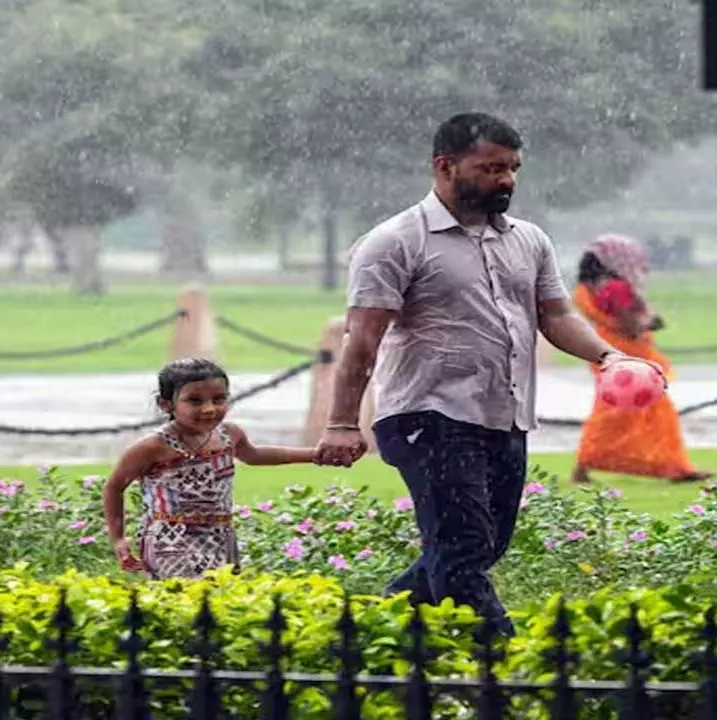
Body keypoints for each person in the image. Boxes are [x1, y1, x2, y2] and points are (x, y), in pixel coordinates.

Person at [312, 112, 654, 637]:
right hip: (428, 415)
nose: (507, 180)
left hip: (503, 414)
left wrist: (610, 357)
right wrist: (340, 422)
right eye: (492, 167)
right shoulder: (395, 242)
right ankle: (502, 662)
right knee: (465, 548)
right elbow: (363, 341)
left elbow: (557, 316)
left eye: (513, 168)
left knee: (484, 543)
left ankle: (366, 634)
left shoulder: (529, 240)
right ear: (444, 167)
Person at [103, 357, 317, 579]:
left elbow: (254, 455)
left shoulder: (229, 435)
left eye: (219, 399)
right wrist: (118, 538)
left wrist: (315, 455)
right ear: (166, 404)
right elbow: (114, 487)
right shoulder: (153, 447)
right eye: (194, 401)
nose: (209, 409)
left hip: (220, 537)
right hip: (170, 542)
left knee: (221, 600)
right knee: (181, 600)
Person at [569, 234, 715, 485]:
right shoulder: (617, 288)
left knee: (614, 413)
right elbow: (631, 325)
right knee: (639, 414)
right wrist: (650, 322)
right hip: (630, 358)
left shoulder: (591, 289)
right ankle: (673, 467)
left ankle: (589, 466)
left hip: (608, 354)